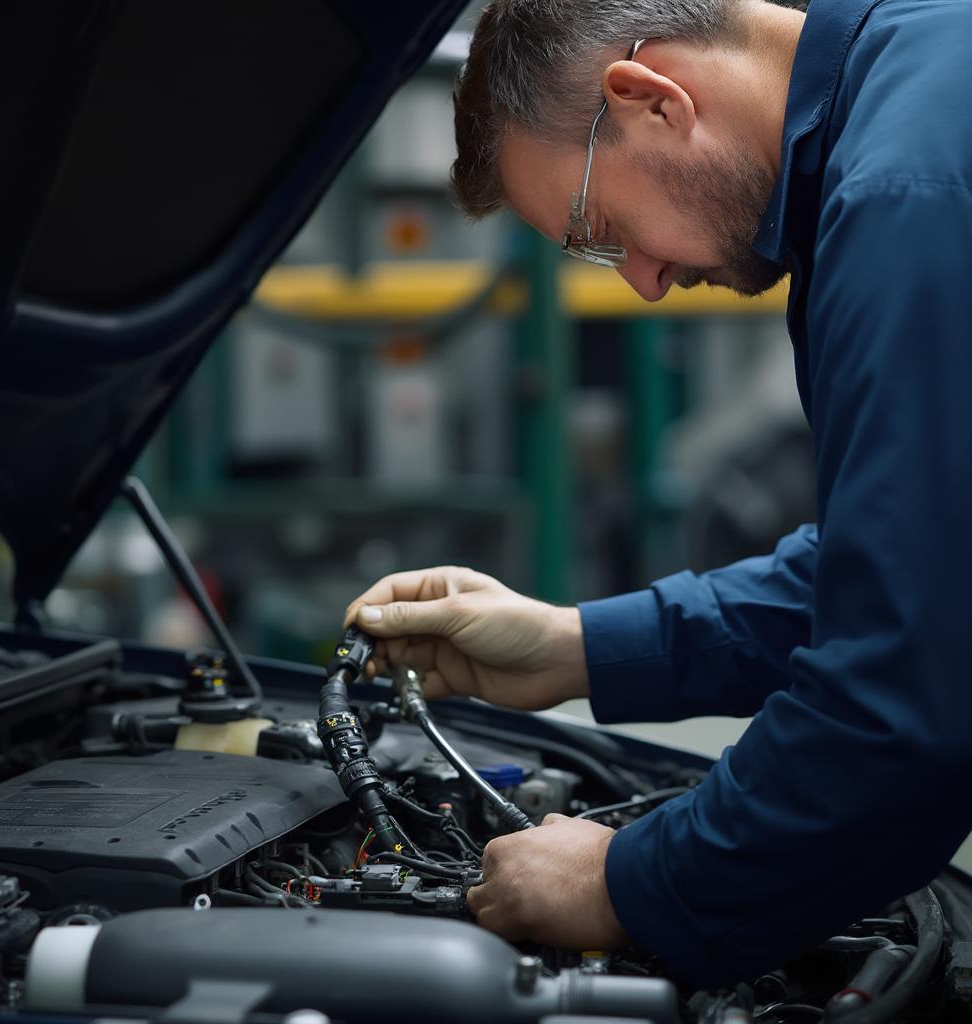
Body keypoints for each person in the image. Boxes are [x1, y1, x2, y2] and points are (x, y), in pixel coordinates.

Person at [343, 0, 972, 987]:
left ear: (649, 99)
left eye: (601, 231)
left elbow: (907, 698)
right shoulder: (925, 87)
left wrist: (632, 881)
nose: (639, 281)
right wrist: (578, 647)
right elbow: (925, 567)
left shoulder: (903, 197)